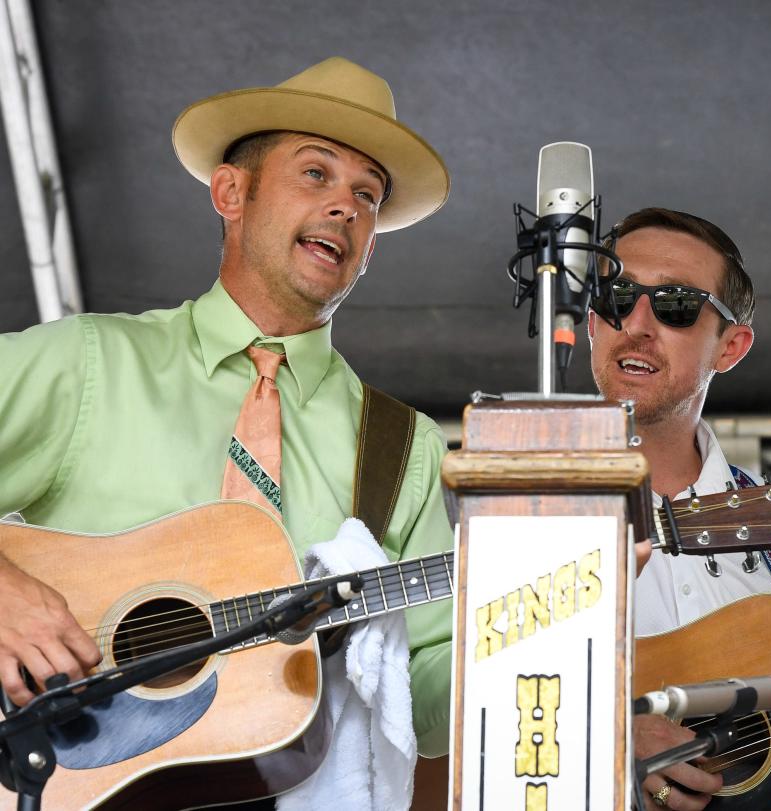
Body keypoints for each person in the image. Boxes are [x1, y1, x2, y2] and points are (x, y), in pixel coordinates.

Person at [0, 57, 456, 789]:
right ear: (230, 190)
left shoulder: (403, 447)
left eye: (367, 196)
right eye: (316, 173)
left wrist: (541, 629)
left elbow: (426, 704)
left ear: (370, 247)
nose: (346, 205)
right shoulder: (88, 361)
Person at [587, 207, 771, 811]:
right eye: (617, 296)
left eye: (675, 305)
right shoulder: (517, 513)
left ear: (730, 347)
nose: (638, 323)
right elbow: (449, 708)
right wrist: (603, 738)